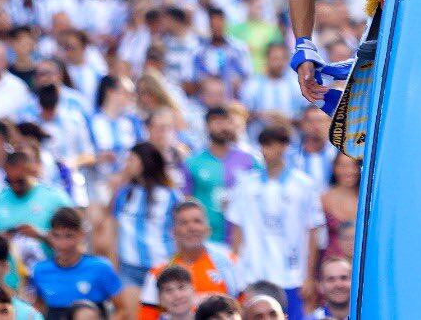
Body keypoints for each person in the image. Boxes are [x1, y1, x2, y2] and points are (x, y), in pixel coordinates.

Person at [225, 126, 324, 319]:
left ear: (284, 147)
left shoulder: (304, 185)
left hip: (292, 276)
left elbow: (313, 233)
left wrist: (310, 277)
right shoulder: (246, 184)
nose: (266, 150)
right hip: (253, 275)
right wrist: (236, 272)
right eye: (263, 145)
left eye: (271, 145)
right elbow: (236, 233)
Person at [138, 199, 239, 320]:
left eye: (197, 221)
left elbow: (243, 307)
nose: (191, 228)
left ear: (207, 228)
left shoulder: (228, 262)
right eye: (183, 223)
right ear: (173, 231)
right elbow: (147, 316)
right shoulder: (158, 272)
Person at [108, 142, 180, 304]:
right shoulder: (124, 194)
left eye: (131, 160)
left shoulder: (170, 196)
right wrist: (114, 265)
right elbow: (114, 232)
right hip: (129, 267)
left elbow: (178, 230)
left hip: (161, 266)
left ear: (144, 162)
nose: (127, 164)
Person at [27, 206, 126, 318]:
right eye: (56, 236)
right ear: (49, 236)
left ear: (81, 235)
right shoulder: (40, 270)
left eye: (69, 236)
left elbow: (122, 310)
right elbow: (38, 309)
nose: (62, 244)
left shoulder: (101, 267)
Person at [182, 106, 258, 245]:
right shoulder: (193, 163)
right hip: (206, 240)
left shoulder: (249, 161)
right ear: (207, 126)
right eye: (217, 122)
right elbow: (186, 201)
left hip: (242, 240)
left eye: (227, 122)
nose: (223, 127)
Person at [0, 150, 70, 243]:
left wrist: (41, 235)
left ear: (31, 172)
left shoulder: (55, 197)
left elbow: (73, 235)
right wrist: (0, 238)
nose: (15, 186)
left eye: (19, 181)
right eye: (9, 181)